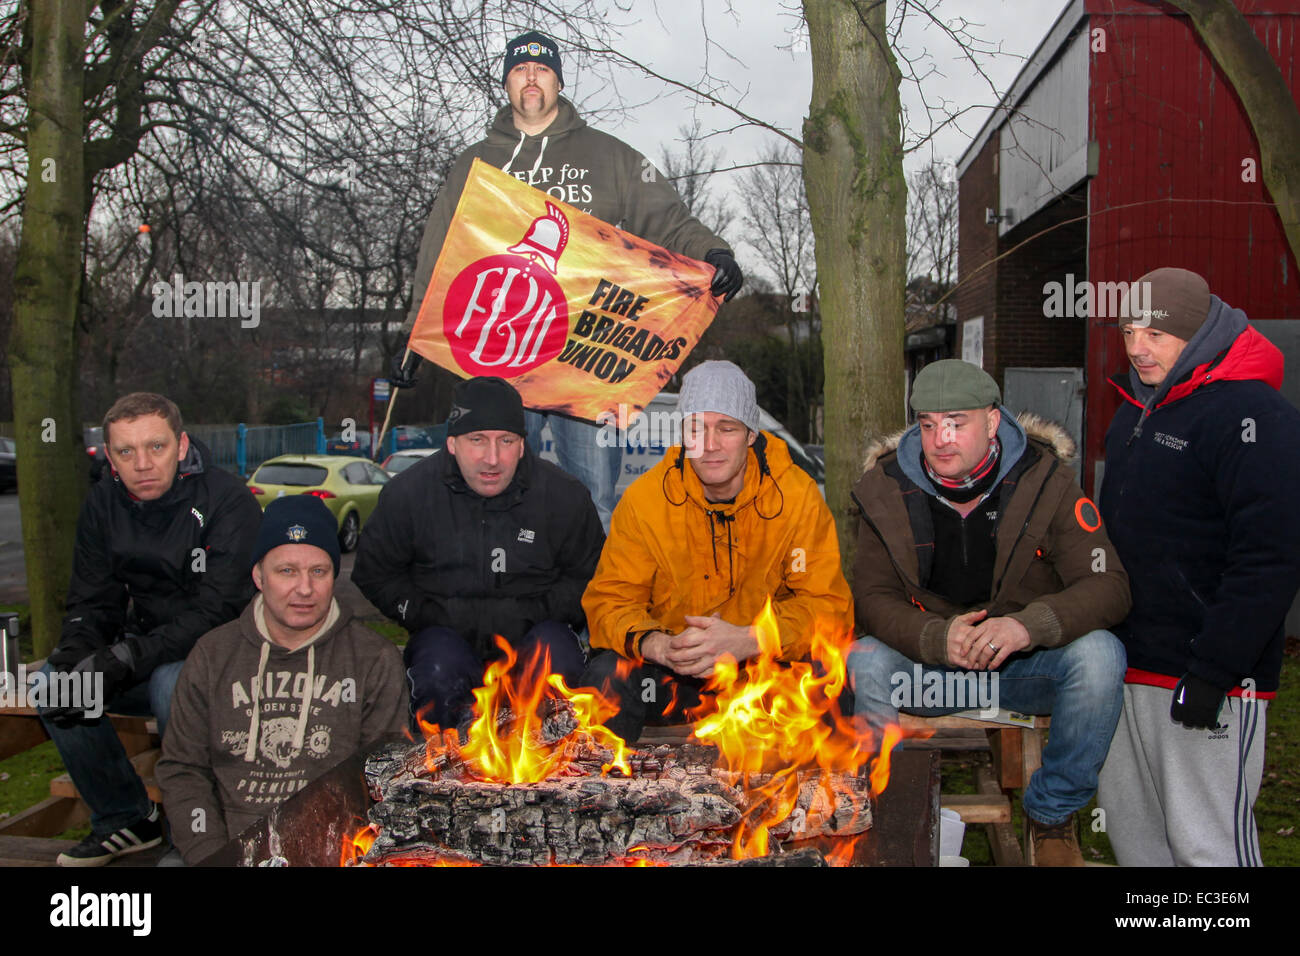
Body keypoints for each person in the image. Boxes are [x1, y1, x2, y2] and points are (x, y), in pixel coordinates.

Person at [391, 30, 742, 528]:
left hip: (585, 359)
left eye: (542, 70)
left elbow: (665, 216)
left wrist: (713, 251)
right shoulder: (475, 164)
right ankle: (504, 596)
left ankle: (592, 604)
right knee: (497, 489)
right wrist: (414, 337)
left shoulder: (608, 157)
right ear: (507, 82)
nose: (530, 78)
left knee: (592, 495)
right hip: (501, 356)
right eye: (519, 70)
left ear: (558, 80)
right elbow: (439, 251)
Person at [846, 359, 1131, 866]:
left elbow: (1109, 586)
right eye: (929, 425)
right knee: (865, 658)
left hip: (1021, 669)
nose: (941, 439)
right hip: (928, 671)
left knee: (1101, 655)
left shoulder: (1048, 480)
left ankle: (1051, 817)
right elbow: (871, 599)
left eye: (958, 422)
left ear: (993, 421)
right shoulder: (885, 487)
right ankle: (876, 809)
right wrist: (935, 637)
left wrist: (1028, 626)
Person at [1097, 267, 1300, 866]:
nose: (1136, 348)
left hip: (1206, 677)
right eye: (1129, 330)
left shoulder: (1254, 416)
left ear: (1198, 335)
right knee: (1137, 842)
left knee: (1209, 849)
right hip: (1129, 669)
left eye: (1155, 335)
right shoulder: (1136, 411)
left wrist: (1215, 671)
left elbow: (1271, 557)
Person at [38, 392, 262, 866]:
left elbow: (216, 612)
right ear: (111, 456)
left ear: (181, 445)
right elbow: (92, 599)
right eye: (126, 452)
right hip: (142, 651)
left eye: (155, 447)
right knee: (50, 684)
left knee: (171, 682)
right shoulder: (102, 504)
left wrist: (125, 659)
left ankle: (195, 836)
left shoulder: (227, 500)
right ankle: (125, 818)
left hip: (227, 658)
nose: (142, 463)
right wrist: (72, 653)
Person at [581, 360, 853, 742]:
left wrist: (752, 638)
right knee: (606, 674)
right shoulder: (645, 501)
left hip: (757, 672)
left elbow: (829, 607)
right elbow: (608, 601)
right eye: (697, 428)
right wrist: (658, 644)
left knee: (832, 674)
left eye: (726, 428)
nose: (710, 444)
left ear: (751, 434)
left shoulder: (796, 497)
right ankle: (602, 794)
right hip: (673, 674)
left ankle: (817, 798)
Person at [155, 496, 407, 865]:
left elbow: (381, 778)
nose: (304, 589)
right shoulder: (212, 655)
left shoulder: (374, 660)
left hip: (331, 854)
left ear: (335, 575)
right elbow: (183, 768)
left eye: (318, 571)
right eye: (286, 571)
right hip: (229, 850)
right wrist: (209, 854)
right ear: (258, 575)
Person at [352, 376, 605, 730]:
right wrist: (425, 613)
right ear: (452, 443)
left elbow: (589, 575)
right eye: (477, 440)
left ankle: (555, 769)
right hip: (447, 640)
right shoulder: (409, 495)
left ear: (522, 445)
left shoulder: (564, 496)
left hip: (533, 638)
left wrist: (533, 615)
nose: (493, 458)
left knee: (557, 653)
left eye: (506, 440)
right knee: (436, 665)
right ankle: (446, 771)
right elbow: (374, 572)